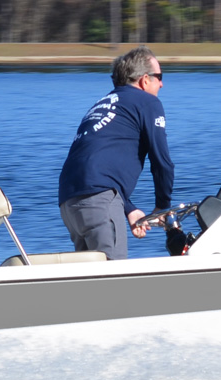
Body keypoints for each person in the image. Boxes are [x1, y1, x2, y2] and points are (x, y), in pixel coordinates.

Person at [56, 47, 174, 260]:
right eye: (159, 77)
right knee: (114, 279)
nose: (162, 84)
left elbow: (99, 167)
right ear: (144, 80)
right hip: (99, 201)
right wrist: (163, 206)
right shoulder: (148, 102)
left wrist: (128, 208)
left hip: (69, 201)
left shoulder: (104, 103)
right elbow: (162, 162)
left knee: (89, 282)